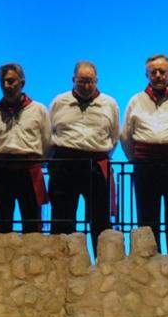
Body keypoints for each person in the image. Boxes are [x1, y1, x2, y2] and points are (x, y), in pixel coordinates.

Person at [120, 54, 168, 254]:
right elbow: (126, 136)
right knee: (146, 216)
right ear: (146, 74)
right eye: (153, 72)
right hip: (145, 165)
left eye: (162, 72)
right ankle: (148, 260)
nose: (157, 75)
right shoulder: (135, 101)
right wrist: (138, 159)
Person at [48, 61, 120, 248]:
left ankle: (105, 267)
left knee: (100, 219)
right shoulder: (58, 102)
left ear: (97, 81)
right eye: (81, 82)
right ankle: (61, 265)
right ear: (73, 80)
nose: (86, 86)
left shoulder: (109, 103)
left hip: (95, 165)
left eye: (90, 81)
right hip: (64, 164)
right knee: (62, 219)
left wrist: (96, 152)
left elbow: (114, 137)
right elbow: (49, 132)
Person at [0, 63, 51, 234]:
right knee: (2, 223)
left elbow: (46, 142)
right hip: (1, 173)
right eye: (3, 82)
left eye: (11, 81)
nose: (7, 85)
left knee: (32, 225)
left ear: (22, 83)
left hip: (29, 171)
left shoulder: (38, 110)